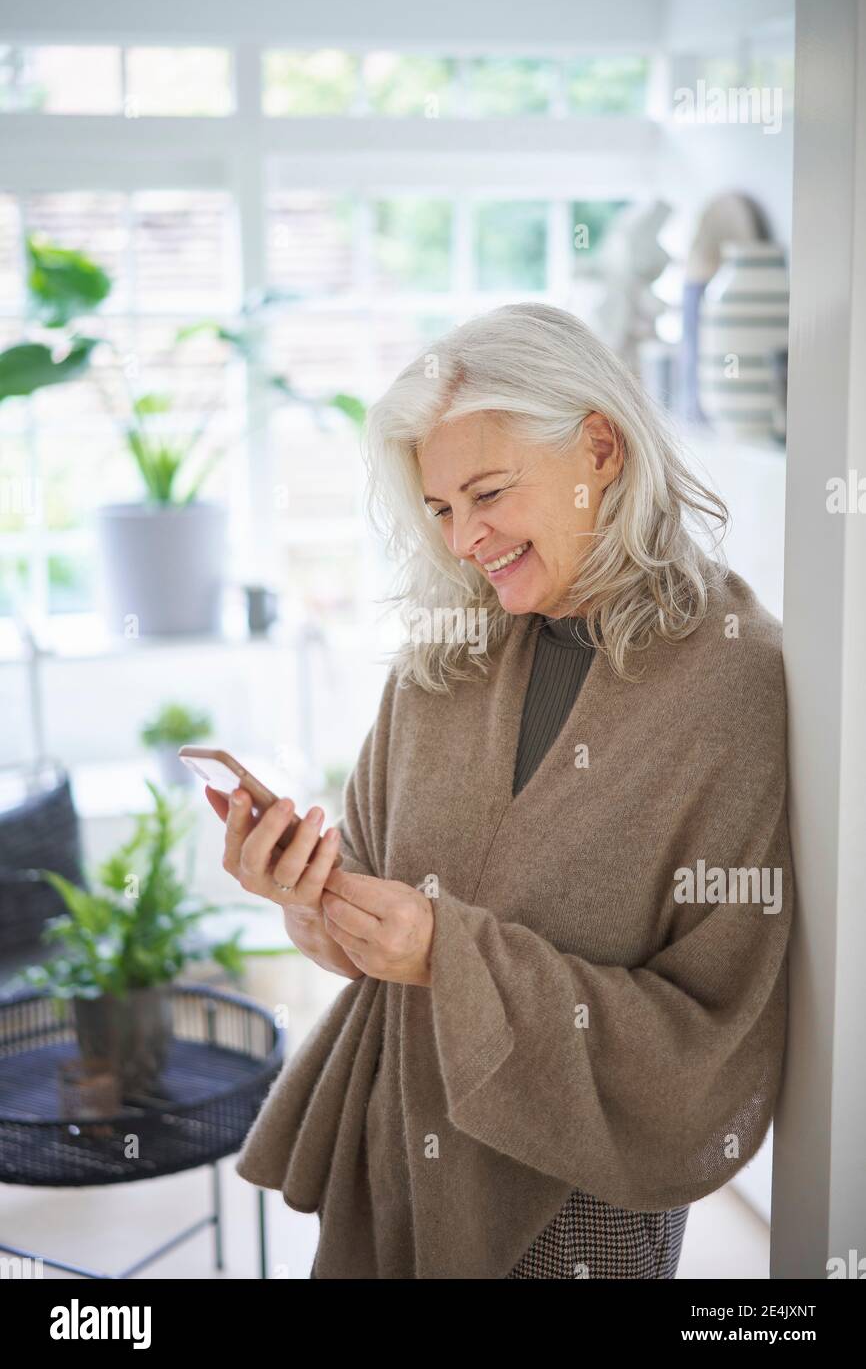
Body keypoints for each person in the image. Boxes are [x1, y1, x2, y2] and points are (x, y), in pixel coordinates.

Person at [208, 302, 793, 1279]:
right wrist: (309, 902)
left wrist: (446, 952)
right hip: (400, 1143)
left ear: (598, 448)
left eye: (486, 492)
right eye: (439, 509)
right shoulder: (446, 653)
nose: (464, 538)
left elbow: (712, 1021)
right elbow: (369, 886)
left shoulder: (732, 680)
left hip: (571, 1199)